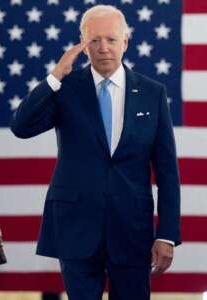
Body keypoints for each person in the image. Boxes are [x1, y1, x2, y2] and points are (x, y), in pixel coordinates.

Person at [10, 5, 180, 300]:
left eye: (111, 40)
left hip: (132, 229)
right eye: (95, 40)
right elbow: (21, 126)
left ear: (125, 42)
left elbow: (167, 171)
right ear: (82, 44)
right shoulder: (66, 88)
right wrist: (55, 76)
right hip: (76, 226)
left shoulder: (153, 93)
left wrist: (166, 234)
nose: (103, 48)